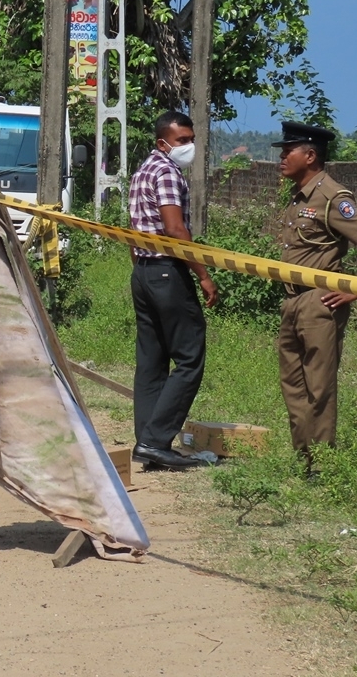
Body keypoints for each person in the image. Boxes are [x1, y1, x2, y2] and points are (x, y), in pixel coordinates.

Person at [274, 121, 357, 476]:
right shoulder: (300, 194)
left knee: (319, 387)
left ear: (310, 155)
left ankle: (321, 465)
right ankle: (302, 458)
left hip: (319, 303)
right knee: (293, 383)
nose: (281, 156)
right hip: (292, 299)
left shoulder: (332, 196)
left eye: (288, 150)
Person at [128, 110, 218, 472]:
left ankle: (147, 442)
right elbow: (176, 229)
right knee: (189, 357)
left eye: (192, 139)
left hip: (145, 272)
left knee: (151, 360)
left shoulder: (143, 170)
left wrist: (141, 272)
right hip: (167, 270)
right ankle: (155, 440)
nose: (189, 146)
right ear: (162, 142)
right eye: (183, 141)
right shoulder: (166, 171)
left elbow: (134, 229)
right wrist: (203, 275)